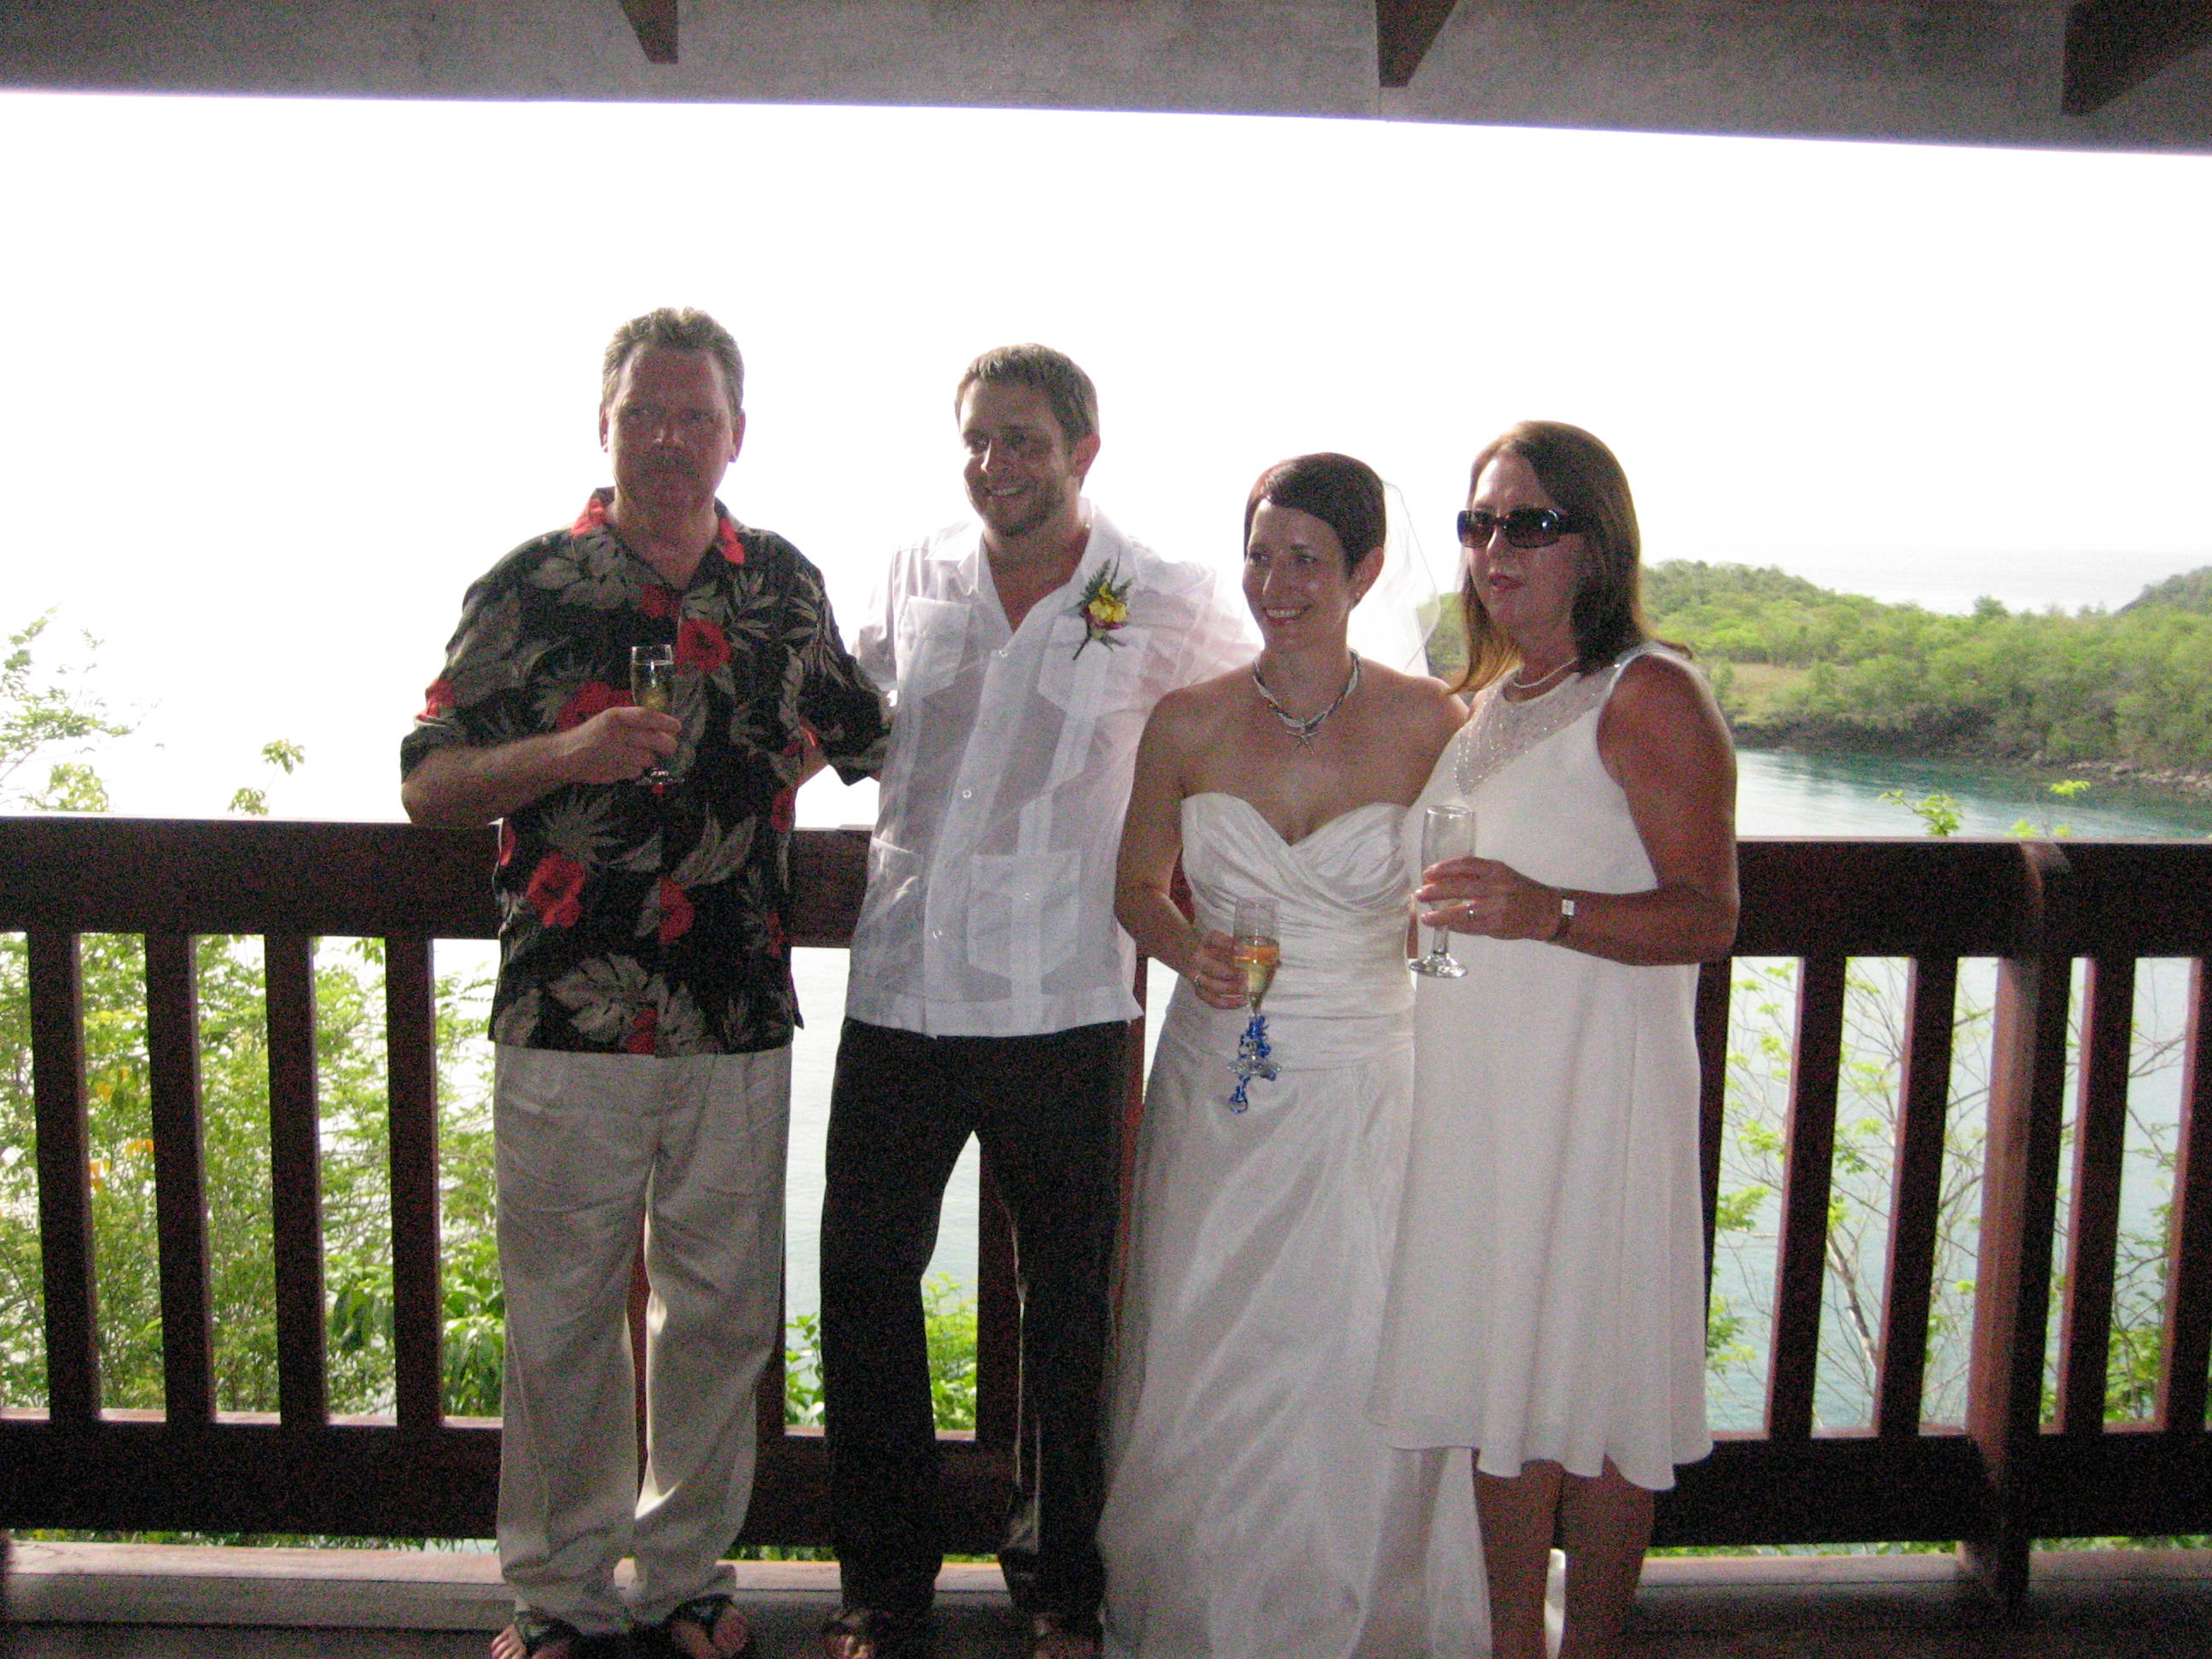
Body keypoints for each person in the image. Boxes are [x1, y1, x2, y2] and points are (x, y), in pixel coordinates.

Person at [401, 307, 889, 1659]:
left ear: (737, 435)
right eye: (645, 415)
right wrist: (567, 757)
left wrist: (769, 772)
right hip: (570, 1010)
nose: (670, 439)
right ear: (603, 425)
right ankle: (558, 1594)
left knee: (719, 1315)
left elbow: (862, 727)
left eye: (695, 417)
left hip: (735, 1006)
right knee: (562, 1318)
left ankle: (684, 1580)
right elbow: (428, 780)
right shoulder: (532, 586)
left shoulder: (781, 584)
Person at [818, 345, 1249, 1659]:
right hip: (901, 987)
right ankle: (883, 1586)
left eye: (1023, 441)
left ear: (1083, 452)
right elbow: (838, 723)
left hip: (1065, 1000)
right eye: (977, 439)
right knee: (864, 1284)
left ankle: (1063, 1581)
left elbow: (1258, 715)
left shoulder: (1163, 597)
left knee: (1069, 1308)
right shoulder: (912, 573)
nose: (995, 464)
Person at [1100, 453, 1481, 1659]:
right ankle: (1202, 1614)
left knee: (1353, 1343)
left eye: (1307, 559)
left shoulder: (1433, 725)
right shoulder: (1189, 720)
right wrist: (1188, 949)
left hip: (1369, 1077)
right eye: (1261, 556)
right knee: (1208, 1342)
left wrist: (1444, 993)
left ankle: (1368, 1612)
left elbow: (1446, 916)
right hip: (1220, 1074)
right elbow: (1135, 889)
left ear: (1366, 571)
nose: (1277, 583)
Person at [1370, 421, 1738, 1659]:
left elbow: (1708, 915)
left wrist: (1552, 913)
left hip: (1596, 1096)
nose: (1495, 549)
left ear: (1595, 540)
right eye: (1478, 524)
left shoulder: (1648, 693)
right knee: (1504, 1379)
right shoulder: (1490, 703)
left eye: (1527, 523)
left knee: (1606, 1382)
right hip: (1486, 1098)